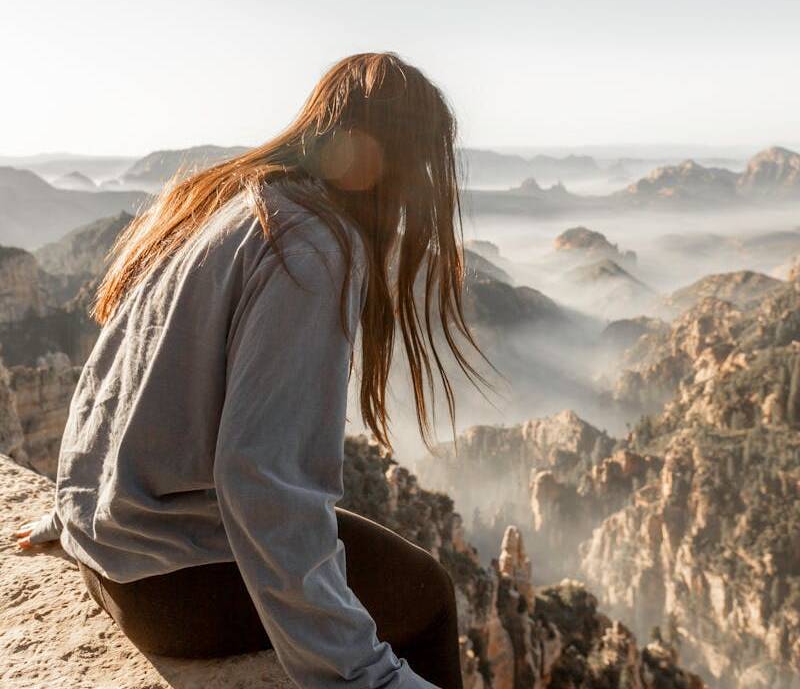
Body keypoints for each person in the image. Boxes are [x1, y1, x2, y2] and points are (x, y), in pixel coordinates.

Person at [14, 52, 498, 689]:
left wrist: (70, 514)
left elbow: (121, 379)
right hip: (171, 591)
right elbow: (263, 480)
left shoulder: (221, 201)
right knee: (428, 594)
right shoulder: (311, 244)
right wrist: (358, 673)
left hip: (109, 553)